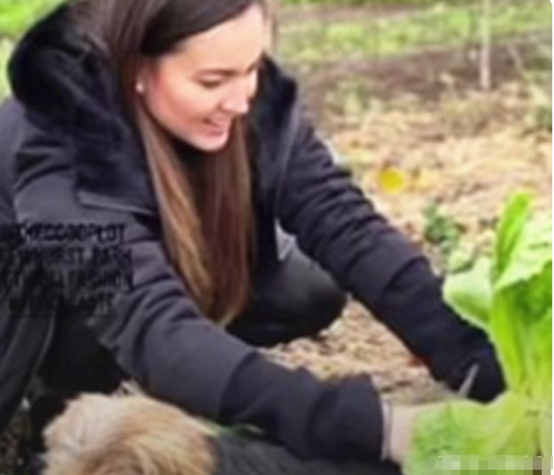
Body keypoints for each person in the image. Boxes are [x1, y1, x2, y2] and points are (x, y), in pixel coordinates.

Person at [0, 0, 505, 473]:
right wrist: (375, 428)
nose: (241, 99)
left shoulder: (254, 100)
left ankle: (193, 377)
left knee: (305, 288)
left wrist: (475, 357)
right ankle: (43, 412)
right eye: (214, 80)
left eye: (252, 68)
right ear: (136, 70)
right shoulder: (54, 141)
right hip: (33, 315)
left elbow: (347, 224)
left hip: (140, 285)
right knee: (118, 358)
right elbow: (153, 327)